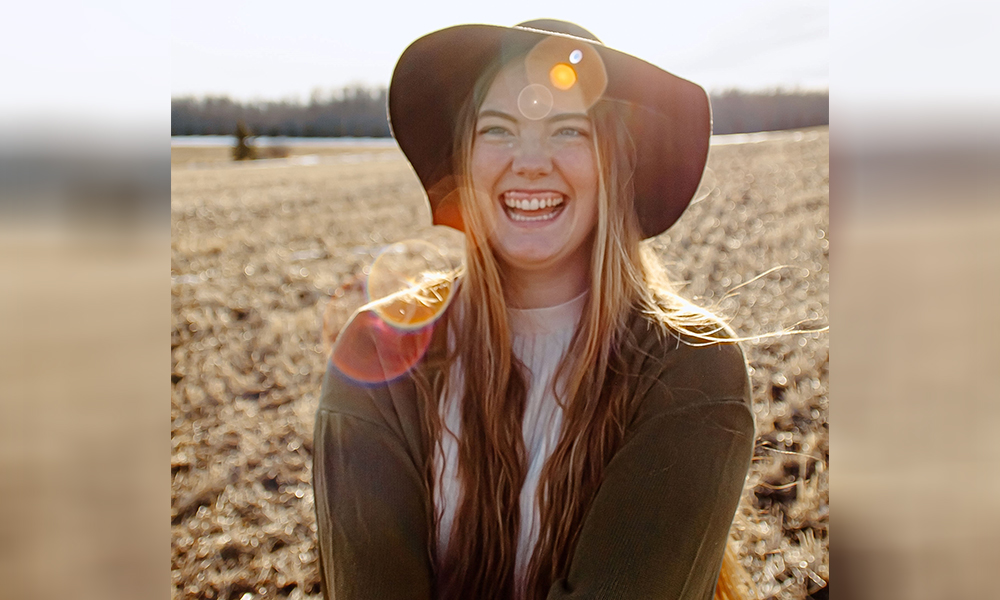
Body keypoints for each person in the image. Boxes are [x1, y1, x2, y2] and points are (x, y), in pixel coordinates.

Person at [313, 20, 756, 600]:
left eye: (568, 130)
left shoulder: (691, 366)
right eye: (498, 129)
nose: (529, 162)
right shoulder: (378, 352)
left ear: (615, 160)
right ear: (464, 160)